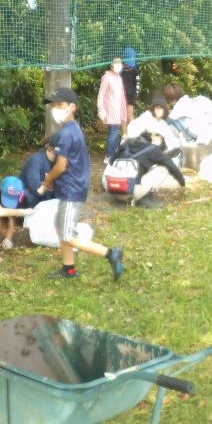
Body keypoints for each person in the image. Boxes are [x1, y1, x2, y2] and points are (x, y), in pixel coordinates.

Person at [40, 87, 125, 281]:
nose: (55, 109)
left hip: (72, 189)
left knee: (68, 235)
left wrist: (48, 179)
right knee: (60, 226)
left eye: (60, 105)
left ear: (72, 107)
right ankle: (68, 269)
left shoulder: (66, 134)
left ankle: (111, 253)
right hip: (70, 186)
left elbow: (61, 166)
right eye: (53, 105)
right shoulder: (73, 129)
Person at [107, 131, 186, 208]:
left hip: (112, 190)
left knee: (140, 167)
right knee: (163, 168)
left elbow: (111, 161)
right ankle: (144, 198)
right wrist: (183, 184)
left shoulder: (126, 143)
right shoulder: (153, 149)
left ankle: (124, 190)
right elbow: (172, 167)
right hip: (130, 194)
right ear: (151, 137)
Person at [97, 58, 127, 158]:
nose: (120, 66)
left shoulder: (118, 77)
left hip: (119, 108)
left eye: (120, 64)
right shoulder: (106, 77)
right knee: (115, 131)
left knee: (115, 131)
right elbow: (101, 94)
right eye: (118, 64)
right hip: (111, 109)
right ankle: (109, 155)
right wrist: (101, 109)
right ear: (112, 65)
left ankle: (115, 154)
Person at [18, 140, 56, 207]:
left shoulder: (57, 162)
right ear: (50, 147)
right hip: (28, 197)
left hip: (44, 196)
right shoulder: (36, 160)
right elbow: (35, 187)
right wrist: (49, 184)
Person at [120, 46, 140, 127]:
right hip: (121, 96)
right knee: (123, 117)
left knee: (130, 116)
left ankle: (133, 131)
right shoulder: (120, 71)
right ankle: (125, 132)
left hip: (130, 97)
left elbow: (137, 83)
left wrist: (136, 94)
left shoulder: (134, 70)